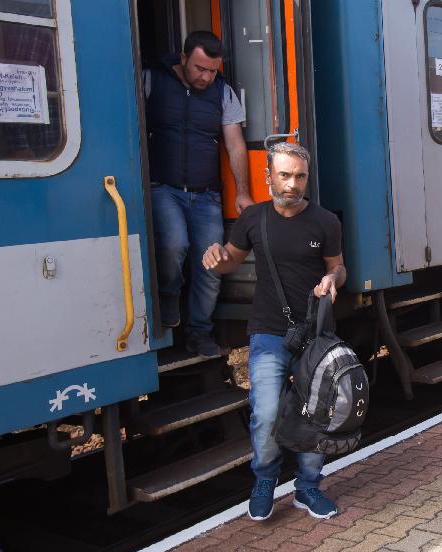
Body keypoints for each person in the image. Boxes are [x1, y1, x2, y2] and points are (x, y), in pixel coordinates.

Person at [201, 142, 345, 520]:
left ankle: (308, 487)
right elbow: (230, 262)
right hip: (267, 332)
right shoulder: (254, 219)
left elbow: (338, 267)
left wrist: (332, 278)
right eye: (284, 175)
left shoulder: (325, 221)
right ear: (268, 178)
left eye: (299, 176)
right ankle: (265, 480)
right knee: (265, 413)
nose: (292, 184)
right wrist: (216, 257)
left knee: (315, 414)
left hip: (314, 333)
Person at [145, 30, 253, 357]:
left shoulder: (223, 92)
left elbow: (235, 145)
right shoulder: (151, 80)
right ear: (182, 59)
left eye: (212, 70)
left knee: (212, 265)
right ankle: (167, 297)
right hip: (164, 188)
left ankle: (199, 333)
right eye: (199, 68)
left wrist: (243, 193)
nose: (206, 77)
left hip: (207, 196)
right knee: (174, 244)